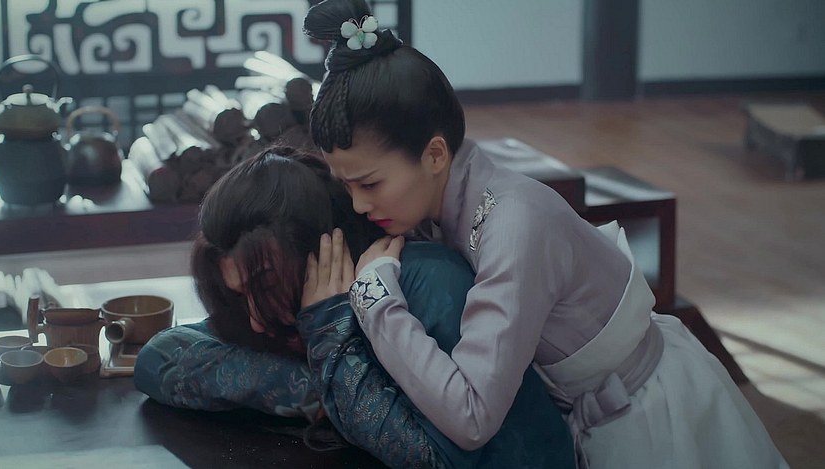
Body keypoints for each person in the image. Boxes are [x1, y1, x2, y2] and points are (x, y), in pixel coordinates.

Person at [301, 1, 789, 468]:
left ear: (434, 155)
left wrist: (375, 300)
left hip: (651, 419)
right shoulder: (444, 203)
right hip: (587, 420)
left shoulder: (514, 226)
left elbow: (472, 415)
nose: (359, 204)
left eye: (369, 184)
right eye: (347, 186)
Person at [134, 147, 575, 468]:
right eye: (238, 294)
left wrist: (331, 338)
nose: (253, 318)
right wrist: (324, 388)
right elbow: (159, 358)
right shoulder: (288, 310)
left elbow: (430, 459)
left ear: (321, 249)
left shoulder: (427, 281)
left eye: (264, 284)